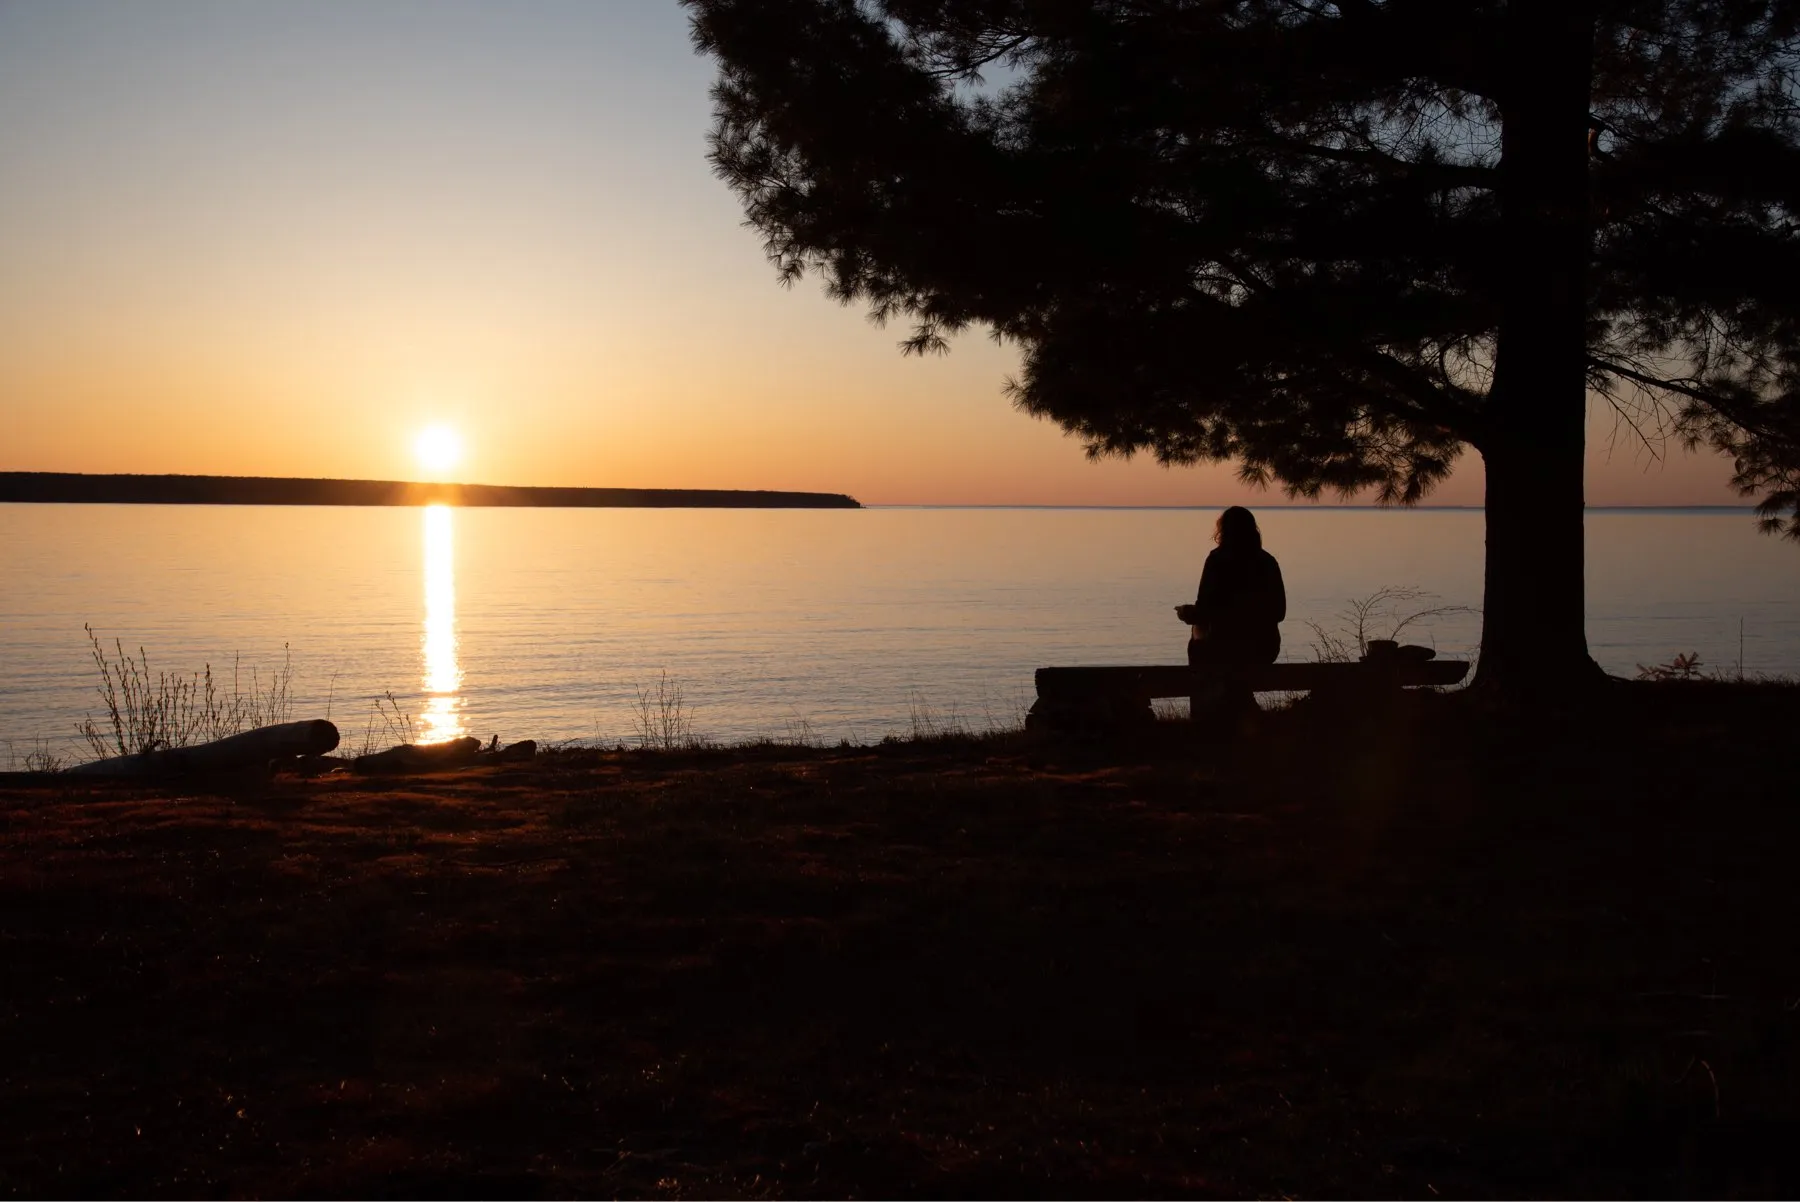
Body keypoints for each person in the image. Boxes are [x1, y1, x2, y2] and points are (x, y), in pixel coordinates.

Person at [1175, 506, 1285, 721]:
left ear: (1223, 531)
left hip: (1224, 647)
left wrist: (1186, 613)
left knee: (1197, 638)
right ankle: (1238, 705)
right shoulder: (1268, 561)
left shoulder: (1217, 560)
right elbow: (1279, 612)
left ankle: (1203, 715)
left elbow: (1204, 611)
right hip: (1265, 648)